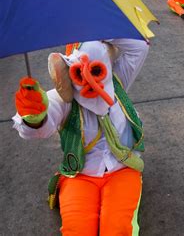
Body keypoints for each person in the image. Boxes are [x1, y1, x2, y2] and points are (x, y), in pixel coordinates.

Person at [13, 39, 149, 235]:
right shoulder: (62, 98)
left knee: (117, 229)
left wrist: (101, 32)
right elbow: (40, 128)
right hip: (80, 174)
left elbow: (139, 47)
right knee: (78, 230)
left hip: (122, 168)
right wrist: (34, 115)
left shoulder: (117, 82)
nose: (90, 82)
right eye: (80, 73)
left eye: (96, 71)